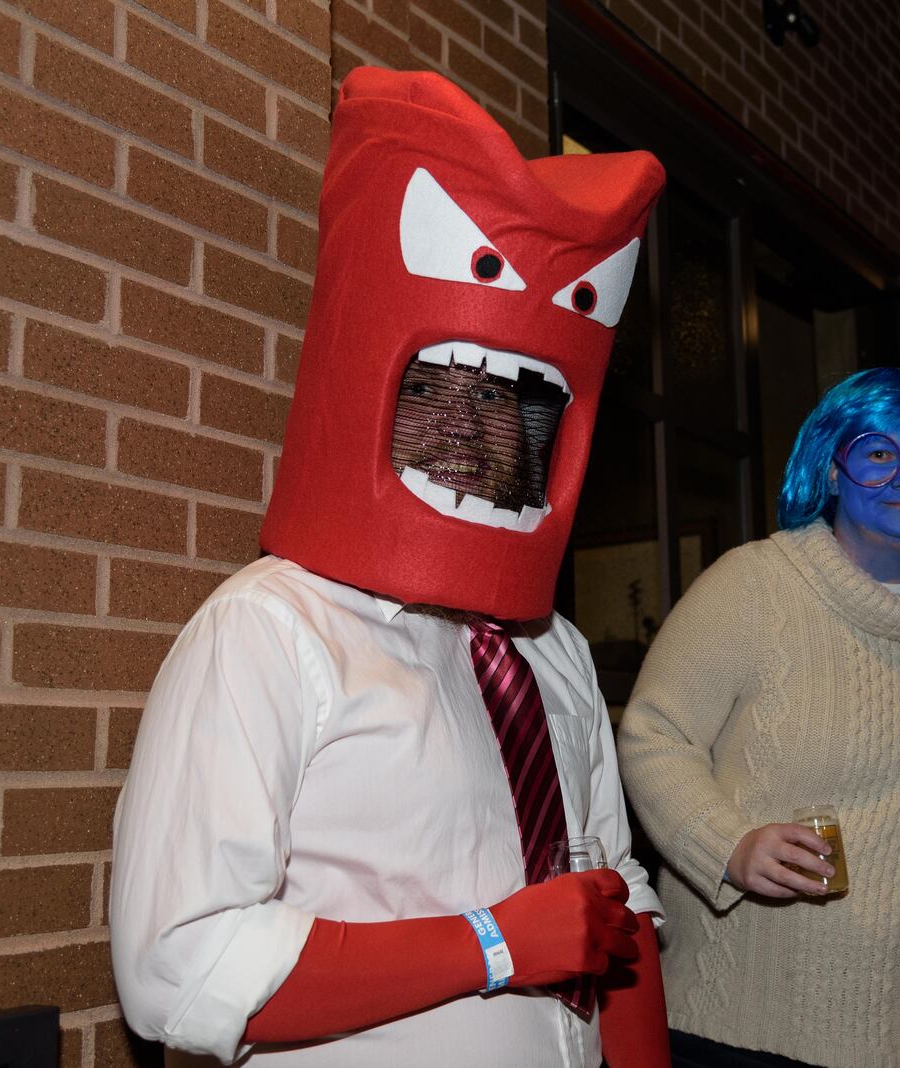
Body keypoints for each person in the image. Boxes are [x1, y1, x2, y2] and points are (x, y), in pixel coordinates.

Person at [109, 67, 670, 1067]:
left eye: (502, 401)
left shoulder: (554, 651)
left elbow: (610, 903)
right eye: (436, 387)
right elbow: (180, 966)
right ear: (372, 387)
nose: (468, 426)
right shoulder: (268, 630)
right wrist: (492, 945)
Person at [618, 368, 900, 1068]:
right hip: (747, 1027)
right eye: (879, 452)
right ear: (830, 470)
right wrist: (726, 845)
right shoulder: (754, 583)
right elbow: (654, 734)